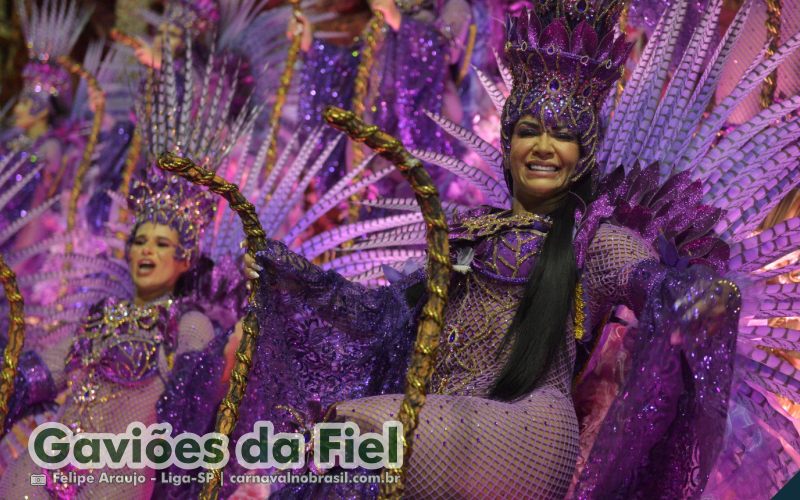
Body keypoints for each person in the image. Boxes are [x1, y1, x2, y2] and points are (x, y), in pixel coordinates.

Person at [229, 2, 744, 497]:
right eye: (528, 131)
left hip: (530, 429)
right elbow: (380, 316)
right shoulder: (468, 230)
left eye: (563, 136)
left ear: (582, 155)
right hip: (448, 412)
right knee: (328, 468)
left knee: (354, 440)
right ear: (507, 143)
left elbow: (652, 280)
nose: (544, 147)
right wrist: (290, 273)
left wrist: (695, 295)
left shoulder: (594, 240)